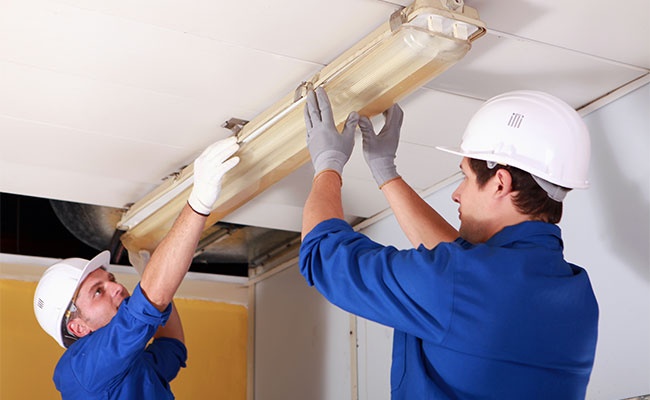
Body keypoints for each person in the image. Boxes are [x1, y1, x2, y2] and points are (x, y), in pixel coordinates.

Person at [299, 87, 598, 399]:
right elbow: (465, 271)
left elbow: (322, 255)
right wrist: (387, 174)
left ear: (500, 183)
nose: (457, 193)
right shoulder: (576, 295)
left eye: (466, 177)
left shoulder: (462, 282)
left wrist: (328, 165)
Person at [33, 136, 240, 399]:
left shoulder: (126, 366)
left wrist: (152, 273)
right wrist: (199, 202)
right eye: (98, 291)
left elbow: (172, 347)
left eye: (109, 279)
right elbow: (145, 309)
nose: (116, 288)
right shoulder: (80, 370)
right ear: (78, 328)